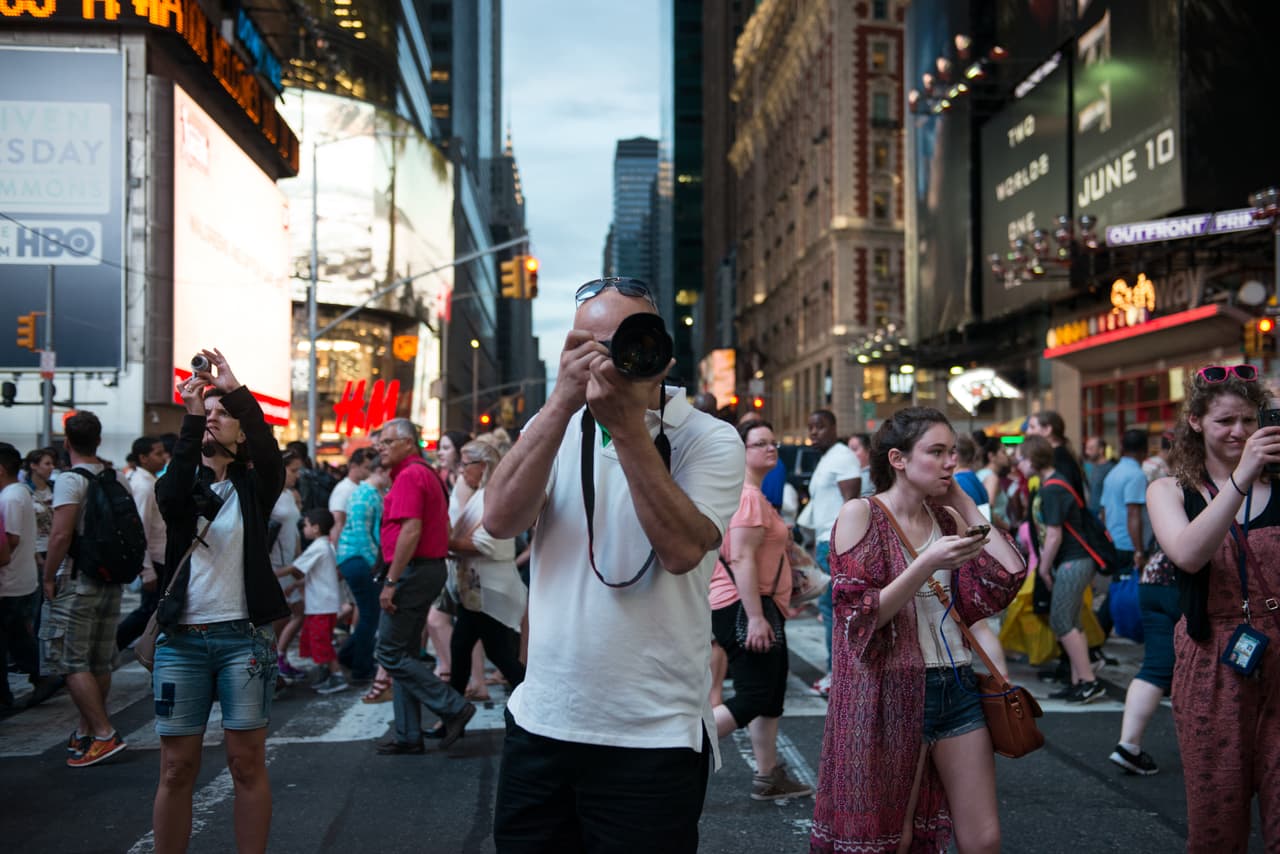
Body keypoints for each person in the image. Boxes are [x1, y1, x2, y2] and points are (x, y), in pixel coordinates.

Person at [483, 277, 745, 852]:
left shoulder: (710, 439)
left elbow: (680, 550)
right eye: (592, 344)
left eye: (631, 341)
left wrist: (627, 425)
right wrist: (559, 404)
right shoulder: (554, 425)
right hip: (542, 723)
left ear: (662, 353)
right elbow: (499, 520)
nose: (612, 359)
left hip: (653, 737)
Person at [810, 407, 1025, 853]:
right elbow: (857, 616)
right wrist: (927, 562)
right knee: (895, 837)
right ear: (898, 459)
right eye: (937, 452)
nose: (951, 462)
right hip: (889, 693)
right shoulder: (860, 514)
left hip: (957, 686)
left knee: (984, 839)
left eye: (953, 452)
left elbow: (1008, 577)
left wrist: (965, 504)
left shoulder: (947, 519)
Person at [152, 349, 289, 852]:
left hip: (244, 641)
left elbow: (271, 450)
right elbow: (169, 501)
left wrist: (234, 390)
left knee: (246, 763)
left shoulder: (256, 486)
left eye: (222, 415)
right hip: (181, 642)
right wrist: (192, 419)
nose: (213, 417)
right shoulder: (182, 487)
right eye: (207, 413)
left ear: (241, 432)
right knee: (175, 767)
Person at [1147, 363, 1280, 848]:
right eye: (1225, 421)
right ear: (1197, 422)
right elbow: (1187, 553)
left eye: (1249, 420)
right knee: (1217, 815)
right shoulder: (1168, 491)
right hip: (1212, 664)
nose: (1239, 432)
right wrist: (1242, 479)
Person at [709, 420, 811, 800]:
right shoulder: (748, 497)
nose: (771, 449)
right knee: (753, 695)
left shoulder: (751, 494)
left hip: (759, 603)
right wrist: (755, 617)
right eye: (760, 444)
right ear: (741, 451)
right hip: (746, 604)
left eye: (773, 442)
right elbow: (742, 558)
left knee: (769, 694)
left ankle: (768, 776)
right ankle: (673, 751)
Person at [372, 417, 475, 755]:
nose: (380, 447)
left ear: (407, 443)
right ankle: (408, 734)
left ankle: (453, 707)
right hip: (426, 569)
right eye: (381, 442)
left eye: (387, 442)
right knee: (402, 652)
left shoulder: (411, 475)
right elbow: (439, 527)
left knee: (388, 651)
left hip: (414, 571)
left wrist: (391, 581)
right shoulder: (423, 473)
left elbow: (410, 531)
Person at [40, 410, 129, 767]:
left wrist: (48, 577)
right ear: (99, 440)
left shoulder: (69, 481)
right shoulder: (115, 477)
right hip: (110, 580)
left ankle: (105, 733)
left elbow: (61, 534)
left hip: (77, 581)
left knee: (72, 662)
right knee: (98, 662)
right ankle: (87, 730)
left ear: (67, 443)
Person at [438, 439, 526, 716]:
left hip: (490, 590)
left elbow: (485, 544)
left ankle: (455, 715)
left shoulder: (492, 496)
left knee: (494, 653)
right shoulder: (484, 494)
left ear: (483, 466)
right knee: (467, 648)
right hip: (480, 589)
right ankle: (454, 715)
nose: (462, 470)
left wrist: (445, 543)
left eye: (466, 464)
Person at [1017, 434, 1105, 703]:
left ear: (1032, 459)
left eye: (1020, 459)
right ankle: (1079, 680)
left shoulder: (1052, 489)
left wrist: (1043, 569)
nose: (1018, 465)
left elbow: (1053, 535)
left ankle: (1089, 681)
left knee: (1062, 621)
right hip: (1072, 562)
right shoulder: (1053, 484)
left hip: (1072, 561)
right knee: (1070, 620)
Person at [808, 408, 862, 698]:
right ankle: (838, 672)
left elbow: (850, 503)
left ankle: (838, 674)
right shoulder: (829, 458)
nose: (814, 432)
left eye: (820, 426)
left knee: (834, 611)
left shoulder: (842, 456)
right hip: (824, 543)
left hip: (835, 544)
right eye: (810, 427)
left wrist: (844, 545)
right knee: (829, 610)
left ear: (834, 426)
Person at [278, 508, 347, 694]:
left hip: (321, 605)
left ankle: (337, 676)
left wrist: (272, 573)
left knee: (321, 641)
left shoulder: (319, 547)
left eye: (306, 525)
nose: (304, 528)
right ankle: (326, 673)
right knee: (318, 640)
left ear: (316, 528)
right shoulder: (326, 546)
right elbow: (317, 575)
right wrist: (296, 584)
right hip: (322, 605)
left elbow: (294, 567)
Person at [337, 455, 389, 686]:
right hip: (357, 559)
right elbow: (360, 533)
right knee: (370, 614)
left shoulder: (370, 493)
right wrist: (374, 566)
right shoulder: (364, 494)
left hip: (358, 559)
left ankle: (350, 656)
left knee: (370, 613)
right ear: (380, 471)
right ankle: (361, 666)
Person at [117, 436, 169, 651]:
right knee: (149, 611)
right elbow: (140, 531)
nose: (163, 458)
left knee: (154, 611)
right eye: (158, 453)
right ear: (143, 458)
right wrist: (147, 570)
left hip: (160, 557)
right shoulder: (143, 486)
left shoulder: (150, 482)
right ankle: (116, 644)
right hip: (154, 560)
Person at [0, 442, 40, 712]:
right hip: (19, 578)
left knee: (11, 640)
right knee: (18, 638)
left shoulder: (11, 497)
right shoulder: (18, 492)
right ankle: (42, 674)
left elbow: (10, 541)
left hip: (11, 581)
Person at [271, 450, 306, 681]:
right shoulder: (269, 494)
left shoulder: (287, 494)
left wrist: (299, 559)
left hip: (290, 563)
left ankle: (278, 657)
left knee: (297, 613)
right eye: (293, 470)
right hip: (275, 564)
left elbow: (293, 530)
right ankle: (273, 661)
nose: (297, 475)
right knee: (282, 616)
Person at [1099, 430, 1150, 574]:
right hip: (1129, 546)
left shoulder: (1113, 473)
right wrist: (1139, 551)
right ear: (1144, 450)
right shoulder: (1137, 475)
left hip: (1114, 541)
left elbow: (1103, 512)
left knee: (1119, 589)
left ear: (1122, 448)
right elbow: (1133, 513)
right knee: (1131, 592)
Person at [1026, 410, 1086, 498]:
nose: (1028, 432)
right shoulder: (1057, 456)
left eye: (1032, 427)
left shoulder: (1059, 460)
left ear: (1047, 430)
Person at [327, 447, 375, 545]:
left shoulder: (363, 487)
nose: (369, 472)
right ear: (353, 466)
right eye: (366, 468)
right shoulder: (344, 489)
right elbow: (338, 523)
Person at [1083, 436, 1115, 515]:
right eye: (1086, 448)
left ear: (1101, 450)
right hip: (1091, 513)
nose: (1087, 452)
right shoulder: (1089, 467)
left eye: (1091, 449)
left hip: (1104, 514)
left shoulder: (1110, 468)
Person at [847, 433, 876, 498]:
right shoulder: (855, 474)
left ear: (868, 451)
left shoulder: (871, 476)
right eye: (848, 451)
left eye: (854, 449)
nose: (849, 454)